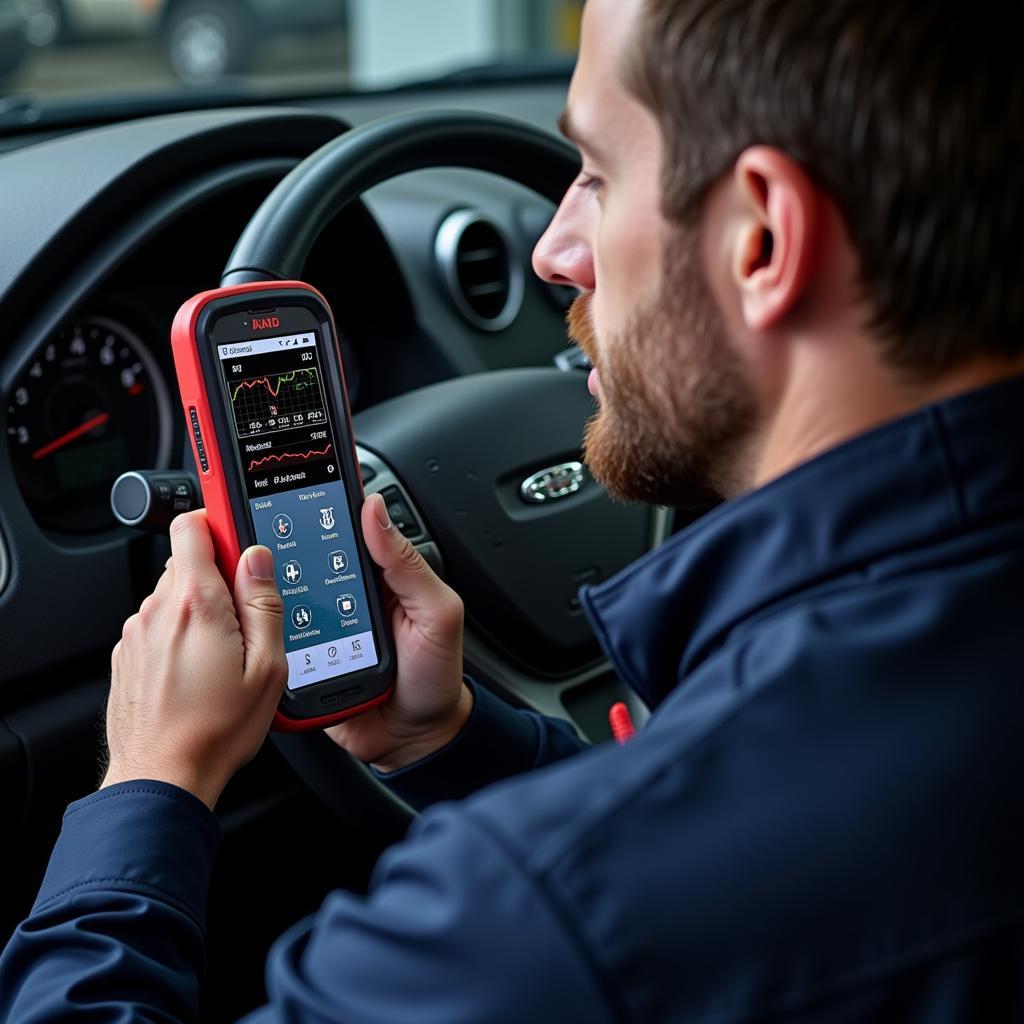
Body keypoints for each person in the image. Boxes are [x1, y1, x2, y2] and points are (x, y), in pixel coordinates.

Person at [4, 0, 1024, 1018]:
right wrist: (452, 740)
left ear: (760, 237)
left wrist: (150, 778)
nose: (552, 252)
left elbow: (627, 869)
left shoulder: (528, 925)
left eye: (594, 176)